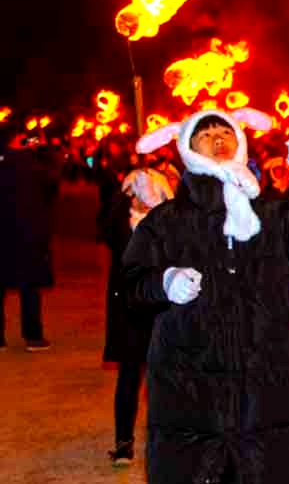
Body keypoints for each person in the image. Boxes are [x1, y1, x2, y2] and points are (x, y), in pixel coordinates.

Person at [123, 109, 289, 483]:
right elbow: (130, 288)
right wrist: (164, 281)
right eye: (204, 134)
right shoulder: (166, 221)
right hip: (191, 404)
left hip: (270, 403)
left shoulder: (271, 213)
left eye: (225, 130)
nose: (218, 137)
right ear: (186, 150)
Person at [101, 167, 173, 465]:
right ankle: (123, 441)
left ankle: (171, 438)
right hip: (129, 312)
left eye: (149, 189)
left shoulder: (167, 224)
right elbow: (104, 229)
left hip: (162, 313)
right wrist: (122, 193)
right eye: (137, 191)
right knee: (129, 377)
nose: (143, 196)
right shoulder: (121, 225)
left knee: (167, 380)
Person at [0, 125, 59, 351]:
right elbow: (53, 182)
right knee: (30, 286)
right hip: (28, 234)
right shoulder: (33, 165)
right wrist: (43, 149)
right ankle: (33, 336)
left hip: (3, 233)